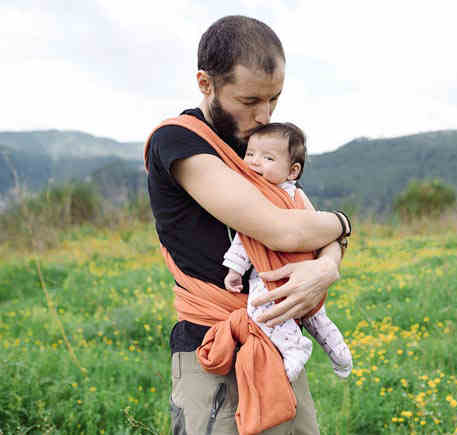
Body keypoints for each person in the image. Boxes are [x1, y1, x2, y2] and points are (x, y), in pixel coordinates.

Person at [146, 15, 351, 435]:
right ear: (206, 84)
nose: (264, 114)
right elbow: (285, 231)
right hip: (215, 350)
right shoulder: (180, 142)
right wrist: (344, 224)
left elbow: (303, 216)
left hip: (276, 338)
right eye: (250, 100)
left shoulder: (257, 147)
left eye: (274, 99)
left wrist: (326, 266)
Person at [222, 122, 353, 382]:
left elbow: (244, 238)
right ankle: (341, 356)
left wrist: (235, 269)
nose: (255, 162)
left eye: (268, 158)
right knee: (316, 318)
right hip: (301, 269)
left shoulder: (263, 198)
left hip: (270, 273)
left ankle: (295, 349)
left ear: (293, 171)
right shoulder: (288, 195)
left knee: (263, 311)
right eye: (249, 154)